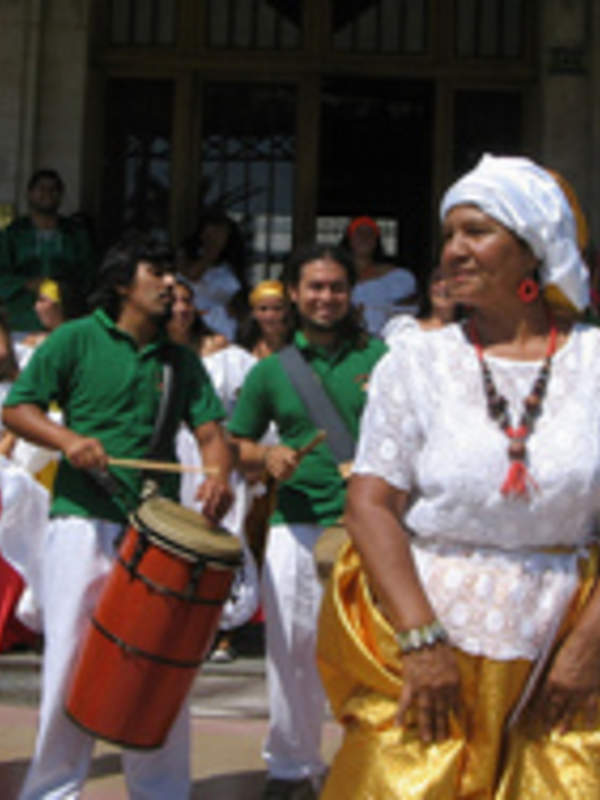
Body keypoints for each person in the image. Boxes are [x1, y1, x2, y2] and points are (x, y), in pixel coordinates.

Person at [316, 153, 600, 799]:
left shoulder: (595, 364)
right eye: (450, 235)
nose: (455, 251)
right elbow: (370, 505)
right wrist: (421, 642)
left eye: (478, 231)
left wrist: (589, 649)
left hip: (566, 639)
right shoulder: (417, 363)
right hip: (428, 628)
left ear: (533, 249)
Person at [2, 234, 233, 799]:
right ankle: (52, 791)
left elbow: (210, 433)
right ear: (122, 283)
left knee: (162, 664)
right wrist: (68, 440)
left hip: (157, 531)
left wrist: (217, 474)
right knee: (70, 662)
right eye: (156, 270)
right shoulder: (76, 340)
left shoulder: (180, 361)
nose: (170, 284)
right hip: (82, 520)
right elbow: (17, 408)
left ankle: (161, 791)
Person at [228, 243, 387, 800]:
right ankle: (292, 766)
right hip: (295, 526)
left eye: (336, 287)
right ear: (293, 293)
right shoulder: (271, 372)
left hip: (375, 529)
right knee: (293, 651)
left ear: (351, 294)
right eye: (314, 287)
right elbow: (237, 445)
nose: (326, 297)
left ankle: (370, 767)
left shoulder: (385, 359)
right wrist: (264, 458)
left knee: (378, 654)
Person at [0, 169, 96, 334]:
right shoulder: (13, 234)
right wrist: (27, 283)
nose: (48, 194)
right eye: (41, 189)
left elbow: (89, 275)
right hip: (21, 320)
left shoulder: (75, 234)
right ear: (30, 193)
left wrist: (66, 289)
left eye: (53, 190)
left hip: (65, 317)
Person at [176, 207, 249, 340]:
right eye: (212, 232)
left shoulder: (230, 263)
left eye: (221, 233)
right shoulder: (187, 255)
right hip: (195, 321)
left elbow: (239, 295)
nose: (216, 237)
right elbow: (192, 275)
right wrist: (211, 250)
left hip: (224, 323)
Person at [340, 215, 417, 335]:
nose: (364, 238)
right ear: (349, 238)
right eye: (359, 233)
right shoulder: (334, 275)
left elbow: (408, 310)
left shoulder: (398, 277)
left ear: (376, 240)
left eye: (370, 234)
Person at [382, 264, 457, 344]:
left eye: (451, 280)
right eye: (437, 279)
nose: (443, 285)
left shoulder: (465, 334)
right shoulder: (402, 326)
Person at [237, 279, 292, 358]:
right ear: (253, 313)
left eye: (277, 308)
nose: (269, 315)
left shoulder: (296, 345)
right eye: (263, 309)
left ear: (287, 311)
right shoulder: (244, 347)